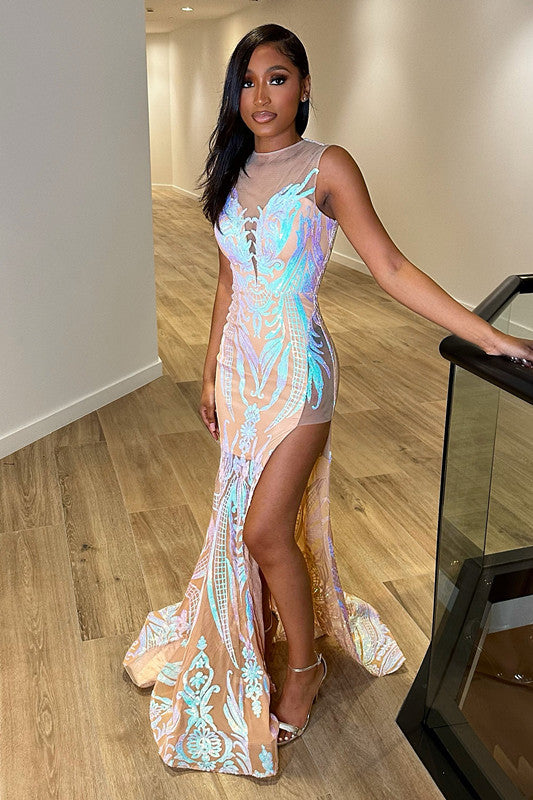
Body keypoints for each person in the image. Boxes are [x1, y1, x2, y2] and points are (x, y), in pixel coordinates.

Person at [123, 24, 533, 777]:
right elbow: (227, 281)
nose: (261, 97)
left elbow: (390, 266)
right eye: (248, 82)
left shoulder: (328, 166)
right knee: (248, 521)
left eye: (277, 78)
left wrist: (489, 336)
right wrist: (209, 372)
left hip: (298, 373)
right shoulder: (230, 168)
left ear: (305, 87)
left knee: (263, 529)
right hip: (241, 374)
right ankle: (265, 631)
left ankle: (304, 670)